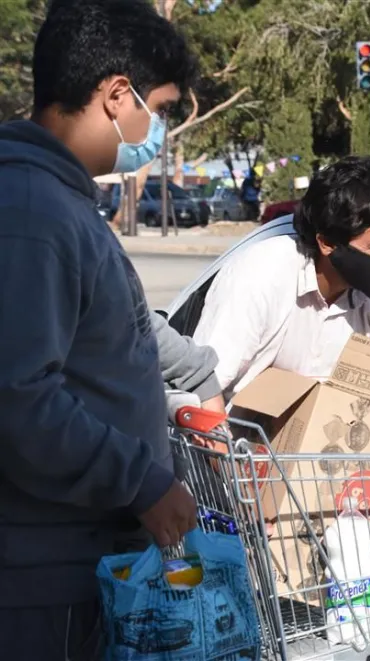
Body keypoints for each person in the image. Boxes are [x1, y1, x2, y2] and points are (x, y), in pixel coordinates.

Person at [0, 1, 204, 658]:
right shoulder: (33, 210)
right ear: (117, 95)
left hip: (73, 568)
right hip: (43, 581)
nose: (159, 128)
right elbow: (18, 394)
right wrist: (142, 483)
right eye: (161, 107)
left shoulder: (57, 200)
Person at [193, 154, 370, 465]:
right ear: (327, 243)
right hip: (241, 472)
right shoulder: (262, 274)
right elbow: (205, 387)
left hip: (326, 474)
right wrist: (233, 473)